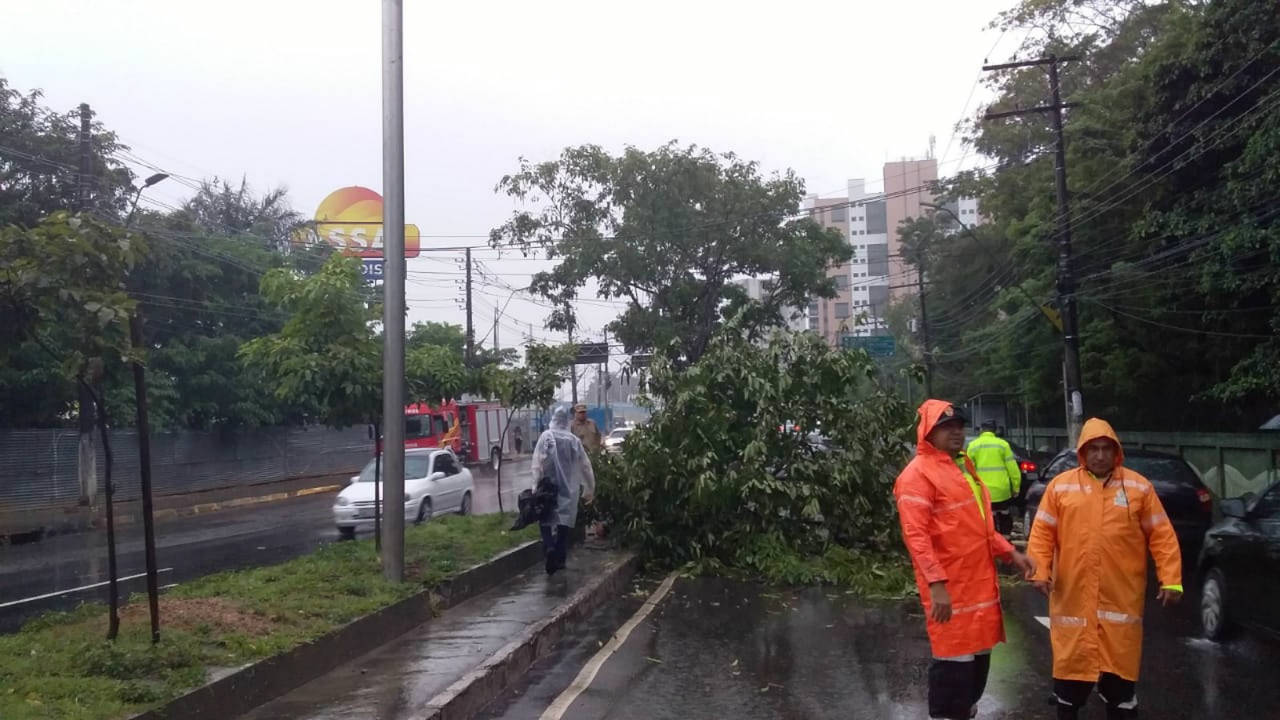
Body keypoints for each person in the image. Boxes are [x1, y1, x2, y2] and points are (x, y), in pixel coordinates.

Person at [1026, 418, 1183, 720]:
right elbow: (1042, 533)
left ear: (1116, 452)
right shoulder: (1061, 487)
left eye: (1105, 449)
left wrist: (1171, 579)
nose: (1099, 455)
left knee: (1120, 689)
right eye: (1093, 449)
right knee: (1070, 687)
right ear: (1083, 452)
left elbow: (1162, 535)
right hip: (1073, 601)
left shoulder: (1138, 487)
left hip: (1120, 602)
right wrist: (1039, 570)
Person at [895, 400, 1036, 720]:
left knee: (977, 666)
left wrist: (1010, 552)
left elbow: (979, 525)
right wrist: (936, 584)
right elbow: (916, 537)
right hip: (950, 588)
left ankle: (964, 709)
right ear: (927, 433)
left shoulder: (963, 467)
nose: (956, 432)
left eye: (959, 426)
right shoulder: (917, 475)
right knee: (953, 671)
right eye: (946, 427)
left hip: (979, 587)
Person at [531, 406, 596, 575]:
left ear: (553, 419)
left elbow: (537, 462)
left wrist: (535, 485)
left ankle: (549, 546)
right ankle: (560, 558)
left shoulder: (546, 436)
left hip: (548, 487)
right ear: (566, 420)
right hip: (568, 488)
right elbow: (585, 466)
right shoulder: (573, 440)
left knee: (545, 519)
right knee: (563, 523)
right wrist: (590, 487)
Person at [966, 419, 1022, 536]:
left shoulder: (973, 446)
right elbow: (1013, 469)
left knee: (988, 516)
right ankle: (1006, 538)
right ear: (995, 431)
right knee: (1004, 513)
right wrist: (1016, 487)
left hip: (982, 490)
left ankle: (991, 539)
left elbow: (968, 470)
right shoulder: (1003, 445)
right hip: (1002, 490)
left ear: (981, 430)